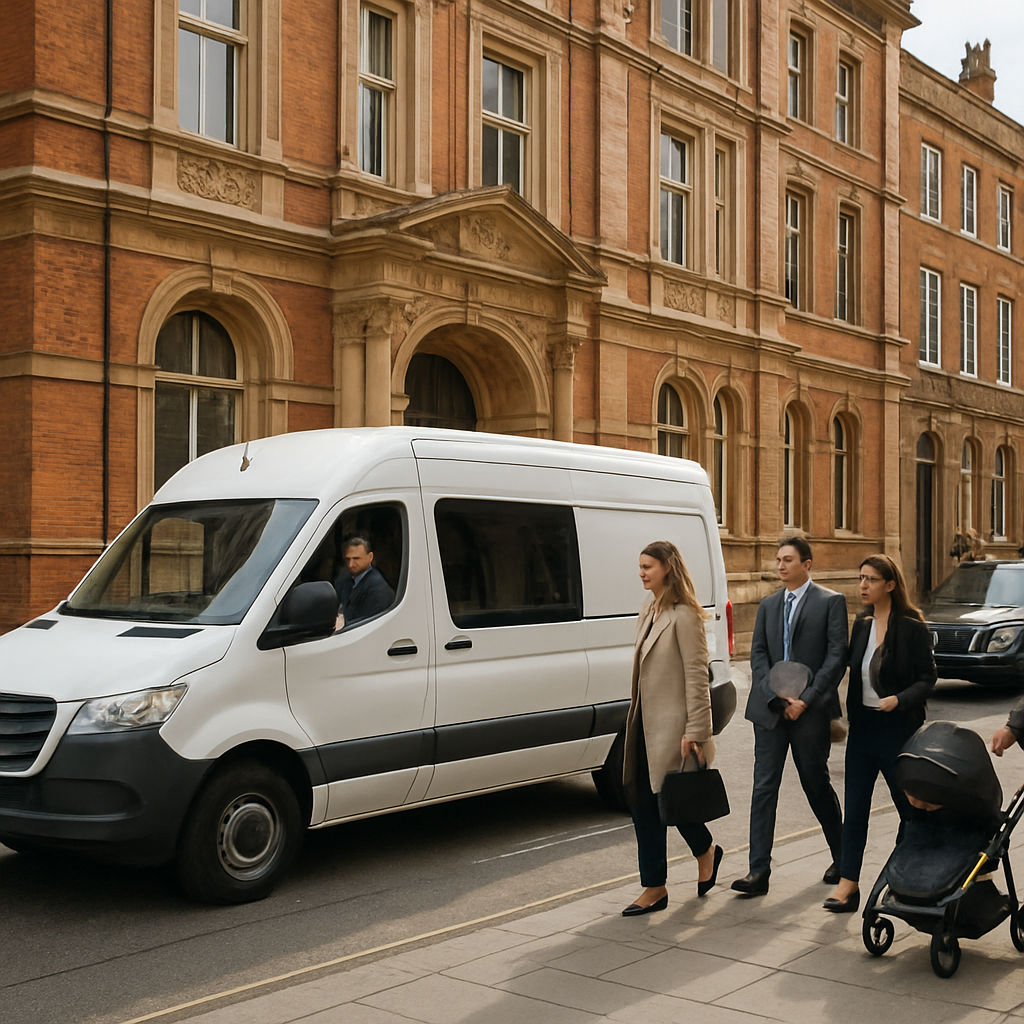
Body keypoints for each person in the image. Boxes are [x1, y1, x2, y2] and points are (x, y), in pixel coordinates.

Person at [732, 536, 847, 896]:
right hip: (769, 710)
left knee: (815, 782)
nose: (780, 565)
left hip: (810, 713)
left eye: (788, 560)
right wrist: (775, 696)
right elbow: (758, 655)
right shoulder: (768, 605)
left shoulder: (830, 602)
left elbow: (836, 657)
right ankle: (758, 871)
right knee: (764, 788)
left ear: (806, 564)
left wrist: (806, 700)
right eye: (778, 559)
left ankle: (843, 857)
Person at [823, 554, 937, 912]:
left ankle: (920, 875)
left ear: (890, 585)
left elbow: (928, 678)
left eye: (871, 579)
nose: (863, 585)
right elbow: (844, 667)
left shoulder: (913, 627)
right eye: (861, 578)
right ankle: (848, 884)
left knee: (910, 809)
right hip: (863, 730)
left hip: (898, 731)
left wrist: (900, 700)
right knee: (855, 809)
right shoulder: (862, 624)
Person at [620, 540, 723, 916]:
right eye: (640, 566)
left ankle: (702, 853)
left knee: (672, 801)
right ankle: (657, 885)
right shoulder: (649, 608)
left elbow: (697, 676)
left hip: (674, 729)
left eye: (648, 566)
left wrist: (696, 731)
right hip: (643, 725)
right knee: (643, 802)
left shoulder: (685, 615)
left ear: (667, 567)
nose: (642, 573)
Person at [332, 536, 395, 628]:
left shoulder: (379, 589)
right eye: (348, 559)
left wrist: (343, 624)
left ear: (370, 557)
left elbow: (372, 623)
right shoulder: (345, 579)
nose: (351, 564)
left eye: (356, 559)